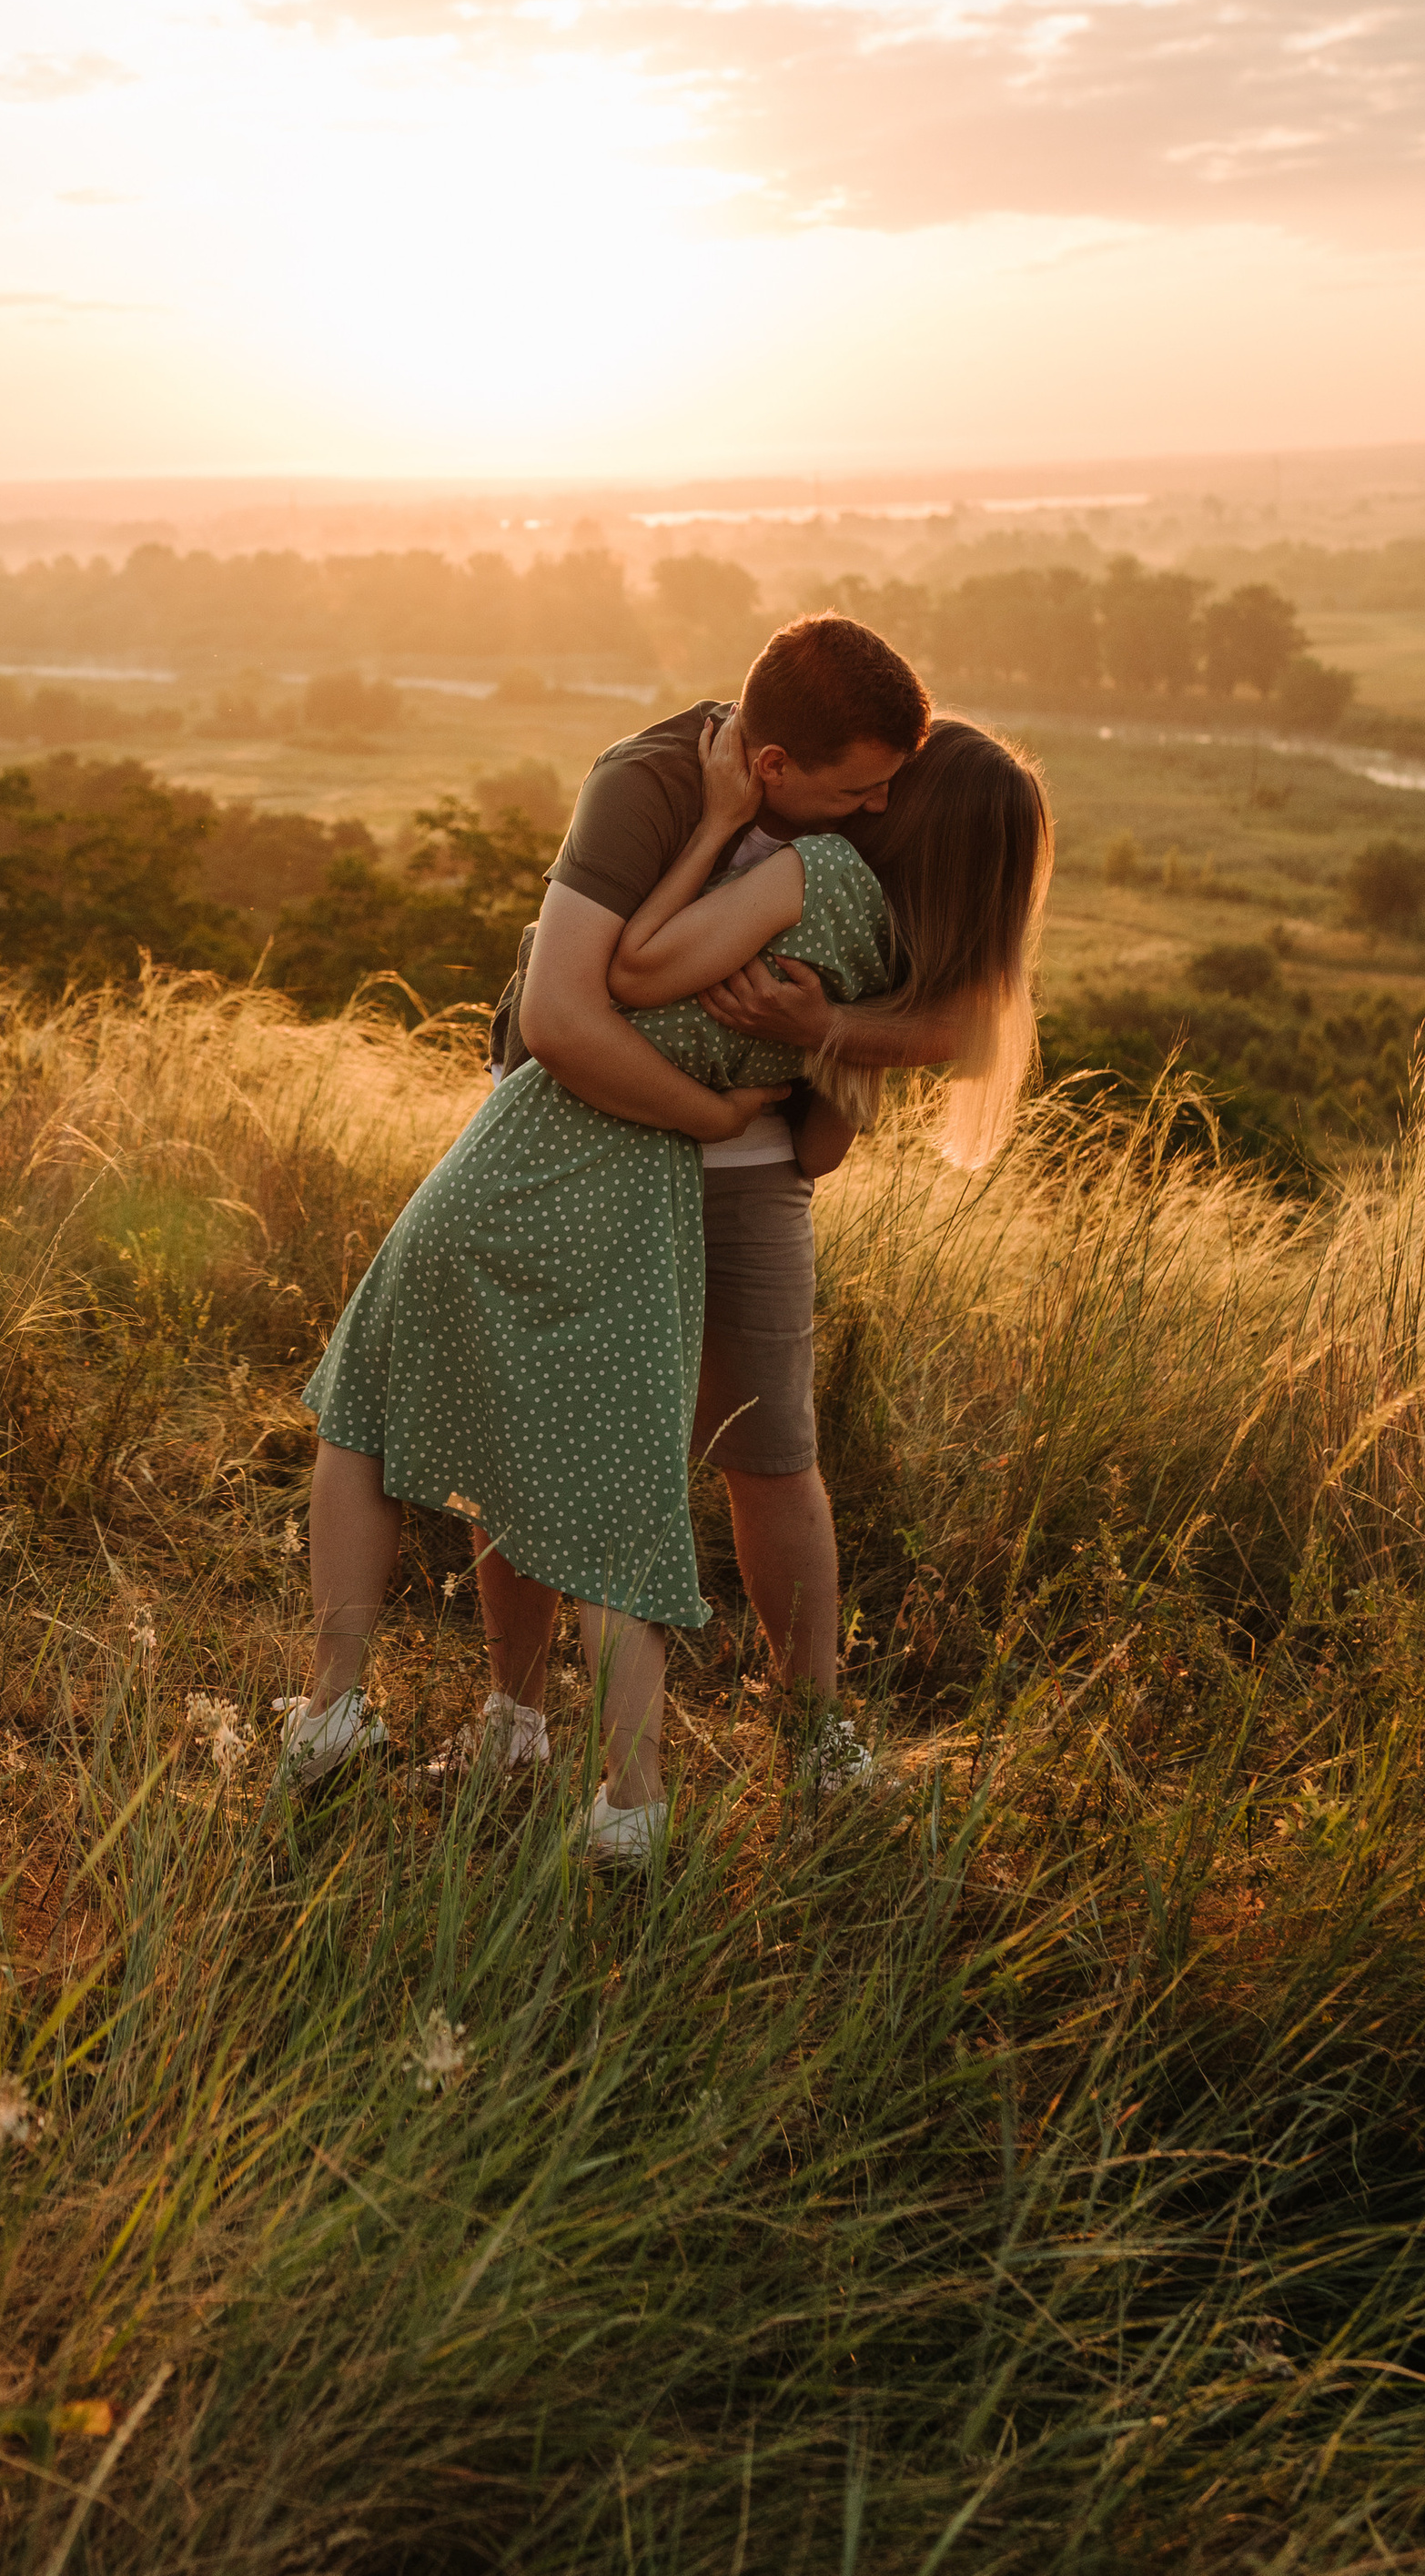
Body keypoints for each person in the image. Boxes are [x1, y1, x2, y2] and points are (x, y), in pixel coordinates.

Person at [283, 688, 1053, 1865]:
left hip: (733, 1178)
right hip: (592, 1134)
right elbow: (595, 1000)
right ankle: (525, 1724)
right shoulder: (678, 783)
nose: (881, 799)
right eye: (867, 783)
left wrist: (825, 1034)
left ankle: (792, 1738)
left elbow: (842, 1120)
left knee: (766, 1451)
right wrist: (774, 1070)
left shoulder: (865, 896)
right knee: (543, 1432)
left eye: (896, 788)